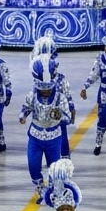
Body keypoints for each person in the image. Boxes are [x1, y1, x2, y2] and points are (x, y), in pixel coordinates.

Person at [21, 52, 69, 191]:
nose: (46, 92)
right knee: (33, 164)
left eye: (48, 89)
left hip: (54, 138)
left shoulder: (60, 98)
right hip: (35, 137)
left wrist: (60, 116)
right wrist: (22, 116)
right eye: (43, 89)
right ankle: (40, 188)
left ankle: (53, 191)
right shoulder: (32, 95)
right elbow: (26, 108)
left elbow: (67, 119)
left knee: (54, 167)